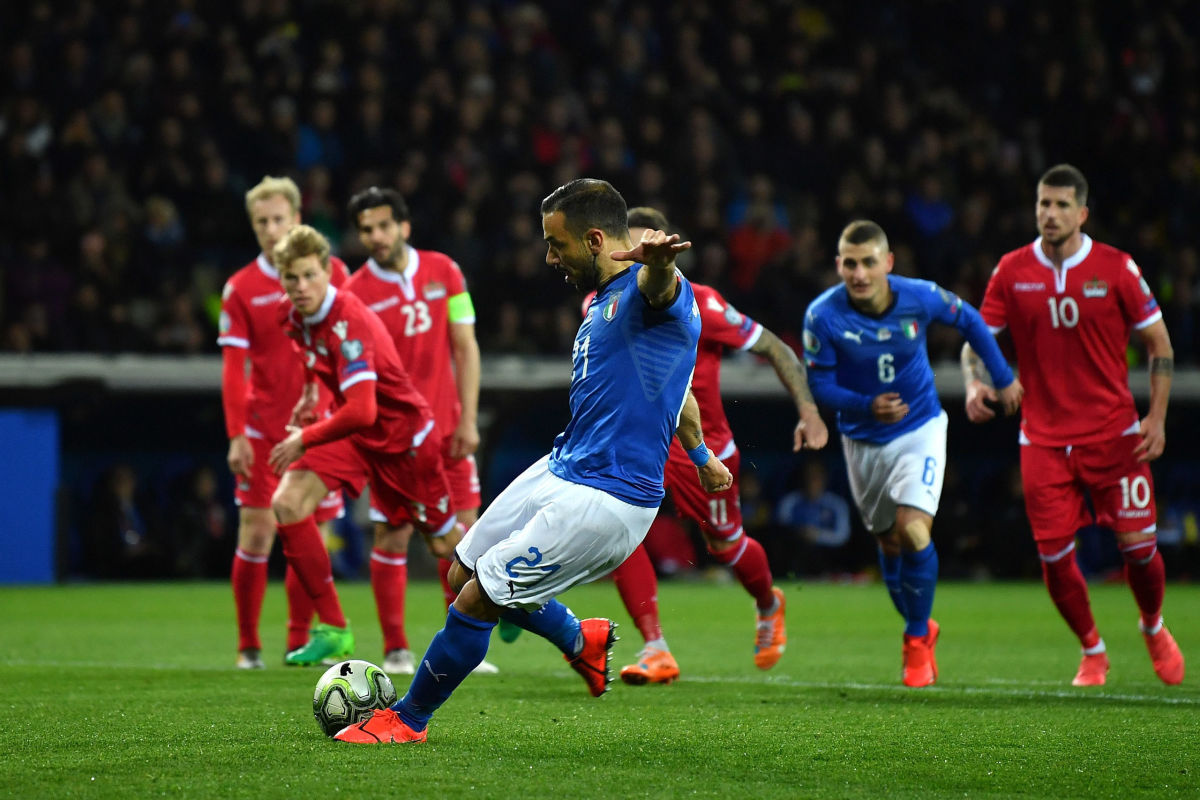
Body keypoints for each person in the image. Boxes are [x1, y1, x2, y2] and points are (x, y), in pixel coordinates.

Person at [334, 178, 731, 744]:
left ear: (595, 240)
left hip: (609, 497)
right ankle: (579, 640)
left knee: (480, 596)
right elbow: (677, 391)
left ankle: (406, 720)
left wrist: (661, 267)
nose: (549, 257)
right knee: (462, 570)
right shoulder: (601, 302)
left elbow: (662, 287)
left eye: (556, 244)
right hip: (564, 465)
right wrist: (698, 451)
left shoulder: (654, 293)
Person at [566, 206, 828, 686]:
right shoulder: (599, 303)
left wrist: (809, 411)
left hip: (700, 448)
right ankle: (655, 647)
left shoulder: (701, 303)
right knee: (620, 538)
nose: (638, 261)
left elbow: (775, 347)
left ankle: (769, 602)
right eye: (632, 253)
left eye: (648, 252)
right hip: (635, 446)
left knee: (725, 546)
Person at [961, 163, 1184, 686]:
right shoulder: (1012, 271)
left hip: (1114, 436)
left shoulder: (1117, 267)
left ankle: (1152, 626)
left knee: (1140, 550)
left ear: (1082, 213)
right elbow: (978, 338)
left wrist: (1156, 417)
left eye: (1062, 205)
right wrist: (976, 383)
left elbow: (1161, 345)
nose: (1050, 213)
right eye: (1043, 203)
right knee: (1055, 558)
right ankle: (1093, 650)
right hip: (1041, 439)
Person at [802, 219, 1022, 687]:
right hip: (862, 438)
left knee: (913, 530)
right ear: (839, 264)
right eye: (849, 263)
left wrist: (1002, 376)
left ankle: (917, 638)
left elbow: (971, 320)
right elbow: (819, 381)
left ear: (888, 263)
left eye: (868, 262)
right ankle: (919, 623)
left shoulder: (920, 295)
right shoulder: (822, 315)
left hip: (919, 427)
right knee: (888, 543)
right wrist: (865, 405)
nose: (859, 273)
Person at [266, 224, 466, 667]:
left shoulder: (349, 323)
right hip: (356, 438)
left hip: (402, 441)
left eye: (309, 276)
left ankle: (517, 599)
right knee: (289, 503)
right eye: (291, 278)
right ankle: (335, 629)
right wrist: (310, 393)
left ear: (327, 273)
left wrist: (304, 438)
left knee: (444, 545)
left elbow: (363, 410)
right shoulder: (291, 315)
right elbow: (312, 359)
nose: (300, 287)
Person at [343, 186, 496, 676]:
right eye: (366, 229)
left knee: (467, 541)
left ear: (404, 226)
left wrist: (469, 418)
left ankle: (461, 648)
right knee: (391, 534)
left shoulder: (445, 271)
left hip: (449, 430)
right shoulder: (354, 295)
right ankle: (395, 649)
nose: (376, 237)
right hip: (395, 442)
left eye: (384, 226)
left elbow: (465, 346)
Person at [218, 175, 350, 670]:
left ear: (297, 219)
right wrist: (236, 434)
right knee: (255, 532)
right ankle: (248, 646)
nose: (272, 230)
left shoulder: (331, 270)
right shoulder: (241, 288)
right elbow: (234, 370)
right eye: (262, 222)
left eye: (279, 219)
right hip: (262, 432)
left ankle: (299, 640)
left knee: (309, 531)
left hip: (321, 428)